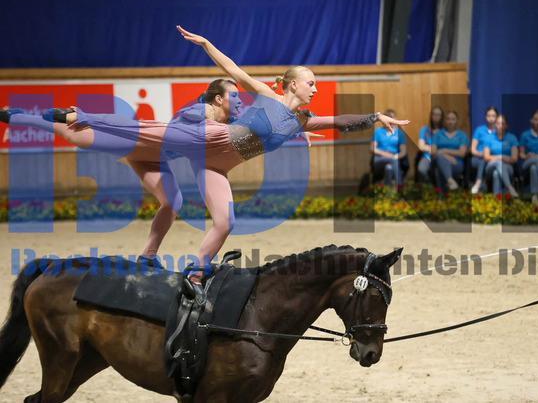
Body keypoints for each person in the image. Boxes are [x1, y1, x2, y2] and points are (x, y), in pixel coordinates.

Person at [31, 25, 408, 283]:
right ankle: (80, 117)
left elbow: (340, 121)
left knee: (225, 222)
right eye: (311, 83)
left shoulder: (300, 121)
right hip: (210, 140)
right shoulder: (269, 95)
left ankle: (196, 273)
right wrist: (206, 44)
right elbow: (233, 70)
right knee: (144, 130)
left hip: (220, 164)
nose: (315, 89)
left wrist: (376, 117)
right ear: (293, 84)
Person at [1, 79, 242, 266]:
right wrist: (199, 110)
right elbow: (182, 119)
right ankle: (21, 117)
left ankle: (147, 257)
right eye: (234, 96)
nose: (239, 101)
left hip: (156, 158)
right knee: (78, 136)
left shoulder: (225, 123)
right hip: (137, 143)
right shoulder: (202, 112)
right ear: (218, 99)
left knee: (172, 201)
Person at [431, 111, 468, 191]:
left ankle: (442, 195)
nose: (450, 122)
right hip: (438, 161)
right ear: (445, 120)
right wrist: (446, 157)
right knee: (439, 160)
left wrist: (444, 151)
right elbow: (433, 152)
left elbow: (462, 153)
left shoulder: (462, 135)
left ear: (456, 121)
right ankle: (450, 181)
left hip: (456, 163)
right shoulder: (437, 134)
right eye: (448, 119)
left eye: (452, 119)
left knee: (439, 169)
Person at [483, 114, 519, 198]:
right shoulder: (488, 138)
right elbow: (486, 157)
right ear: (495, 125)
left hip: (508, 167)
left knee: (496, 173)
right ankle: (510, 188)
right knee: (498, 163)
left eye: (502, 124)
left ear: (506, 125)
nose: (500, 126)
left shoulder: (512, 138)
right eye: (498, 123)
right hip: (490, 166)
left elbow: (514, 158)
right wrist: (501, 157)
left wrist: (498, 159)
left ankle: (497, 198)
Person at [370, 109, 407, 186]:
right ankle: (400, 185)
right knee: (393, 161)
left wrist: (394, 156)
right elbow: (372, 148)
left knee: (389, 168)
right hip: (379, 159)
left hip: (394, 158)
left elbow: (403, 151)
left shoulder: (400, 133)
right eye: (388, 117)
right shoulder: (378, 131)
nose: (390, 120)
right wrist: (385, 154)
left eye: (392, 118)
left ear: (395, 119)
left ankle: (387, 190)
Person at [470, 106, 498, 194]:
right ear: (485, 117)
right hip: (477, 158)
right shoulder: (479, 130)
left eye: (493, 116)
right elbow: (472, 149)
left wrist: (488, 156)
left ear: (497, 117)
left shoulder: (499, 131)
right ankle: (479, 182)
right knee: (483, 159)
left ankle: (478, 183)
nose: (491, 118)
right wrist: (482, 154)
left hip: (492, 159)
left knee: (486, 159)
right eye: (489, 116)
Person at [415, 106, 443, 183]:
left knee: (439, 171)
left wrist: (431, 148)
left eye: (438, 115)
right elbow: (421, 146)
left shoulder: (444, 130)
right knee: (422, 169)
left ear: (441, 117)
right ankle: (424, 188)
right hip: (427, 156)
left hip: (441, 156)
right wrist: (432, 149)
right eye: (434, 114)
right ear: (431, 116)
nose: (436, 117)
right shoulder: (425, 129)